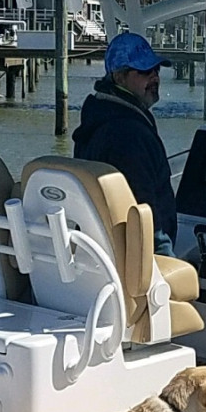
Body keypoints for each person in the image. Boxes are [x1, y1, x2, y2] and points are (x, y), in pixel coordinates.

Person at [72, 31, 177, 254]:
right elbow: (143, 210)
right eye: (145, 71)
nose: (155, 77)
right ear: (119, 78)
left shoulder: (96, 119)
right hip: (137, 257)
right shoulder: (130, 135)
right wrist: (168, 262)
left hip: (104, 250)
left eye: (156, 70)